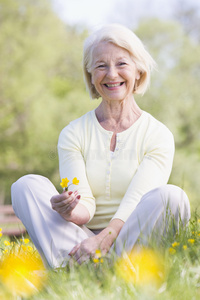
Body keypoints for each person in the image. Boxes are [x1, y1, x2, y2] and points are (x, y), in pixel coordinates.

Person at [11, 23, 190, 268]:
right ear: (91, 75)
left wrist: (104, 240)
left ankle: (115, 268)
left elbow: (135, 200)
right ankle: (76, 267)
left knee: (173, 197)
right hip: (81, 239)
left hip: (131, 240)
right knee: (26, 186)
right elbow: (84, 205)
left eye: (122, 64)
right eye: (101, 66)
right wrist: (69, 210)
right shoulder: (74, 133)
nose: (112, 74)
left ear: (139, 70)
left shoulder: (158, 134)